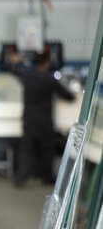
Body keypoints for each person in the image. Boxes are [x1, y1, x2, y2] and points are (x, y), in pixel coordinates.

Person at [7, 51, 75, 186]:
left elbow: (12, 70)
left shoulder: (28, 75)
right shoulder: (49, 79)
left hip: (29, 119)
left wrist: (16, 61)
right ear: (47, 63)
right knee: (47, 150)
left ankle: (21, 178)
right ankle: (47, 177)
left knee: (26, 149)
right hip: (44, 121)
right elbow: (68, 97)